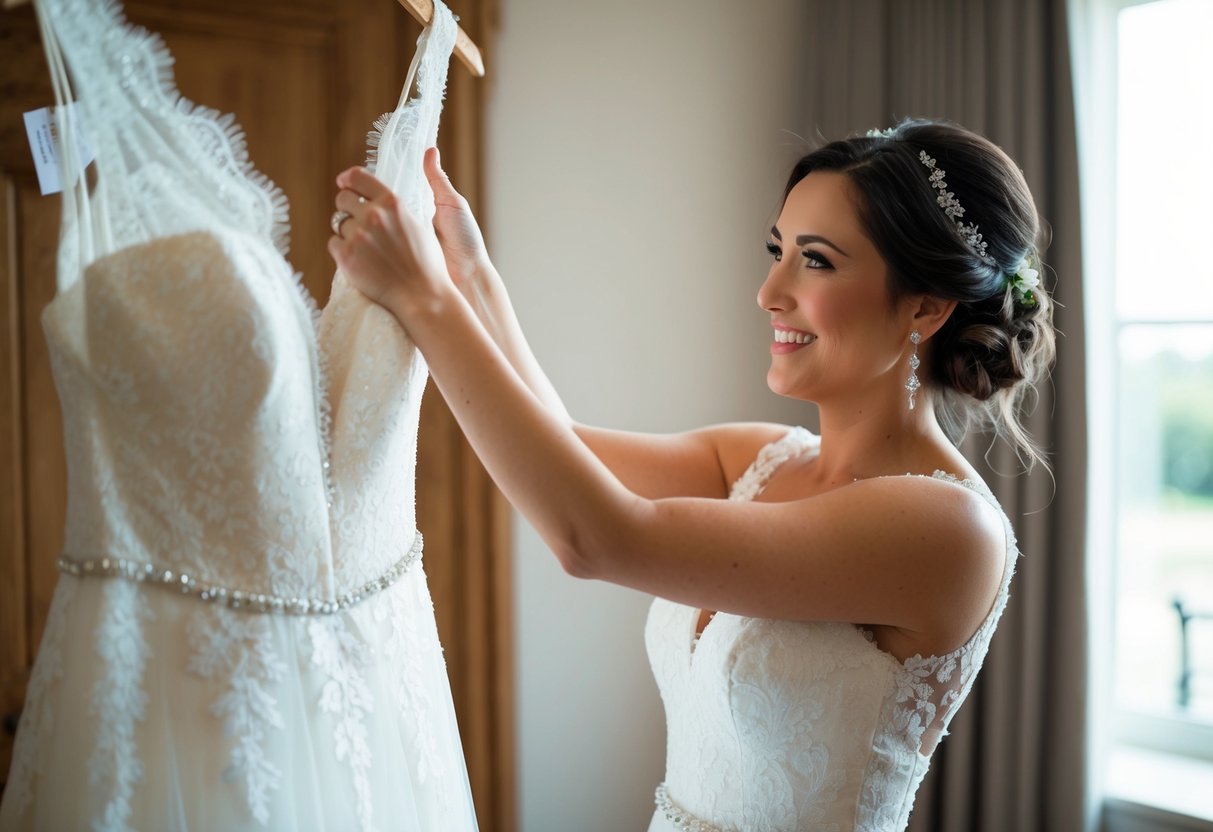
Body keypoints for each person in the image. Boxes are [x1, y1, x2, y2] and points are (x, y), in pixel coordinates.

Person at [328, 118, 1055, 831]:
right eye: (776, 251)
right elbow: (562, 447)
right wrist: (471, 277)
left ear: (924, 308)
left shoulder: (946, 528)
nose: (769, 292)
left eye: (816, 260)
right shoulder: (759, 458)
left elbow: (597, 537)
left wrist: (426, 302)